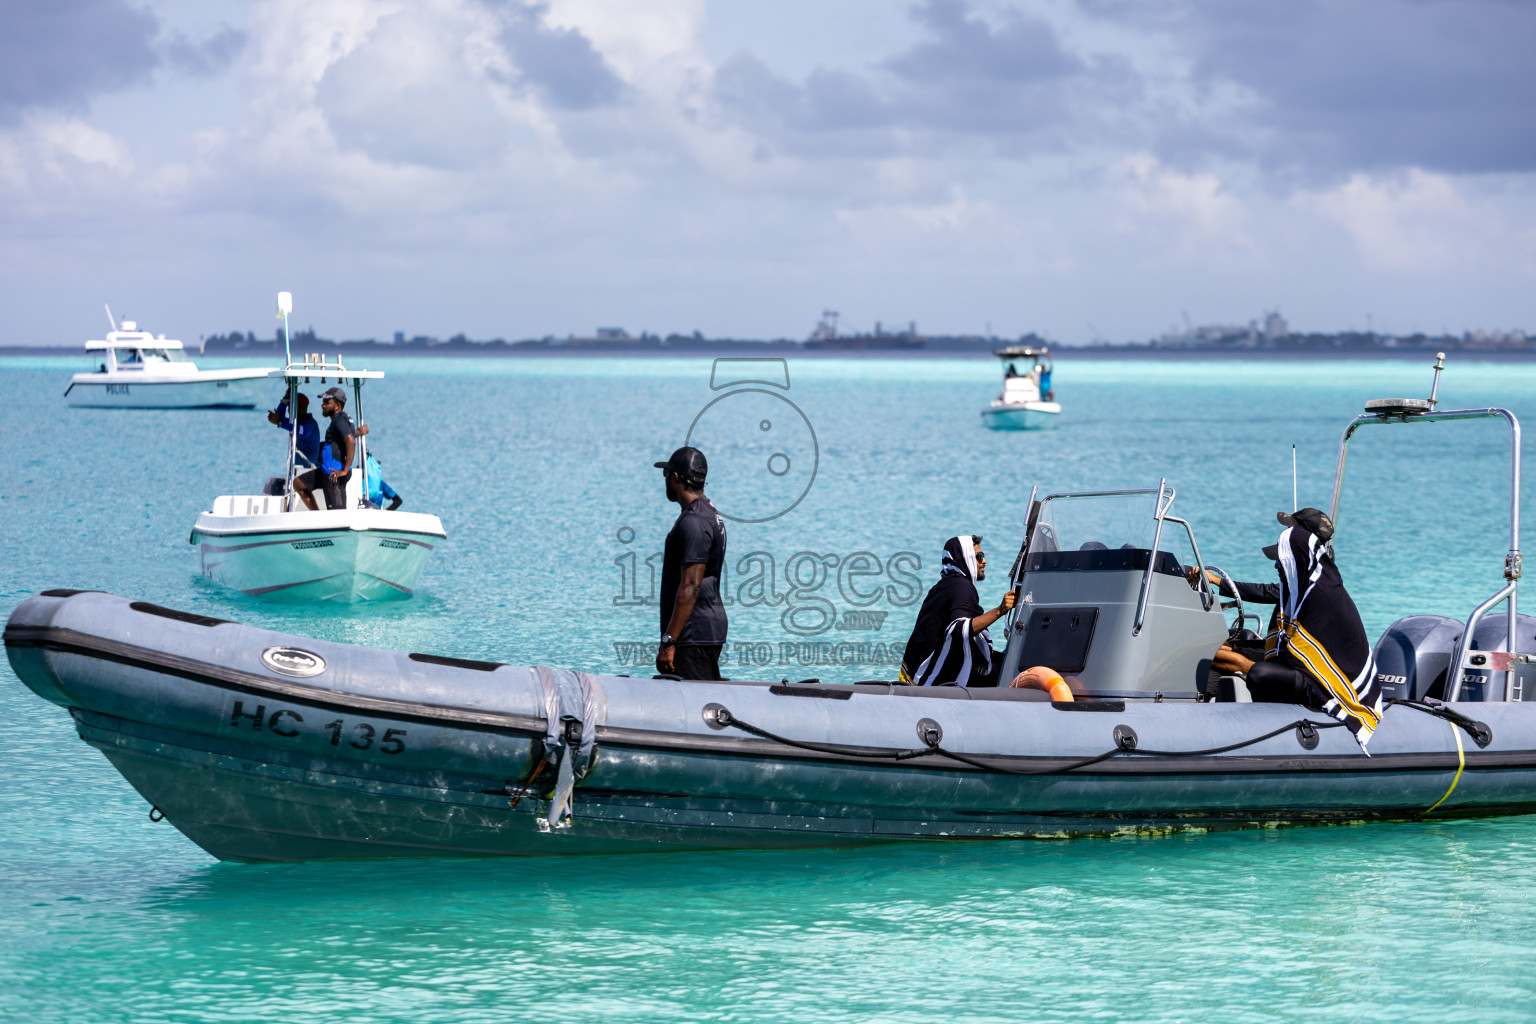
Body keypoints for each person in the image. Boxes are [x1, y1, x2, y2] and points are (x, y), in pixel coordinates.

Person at [1188, 507, 1384, 746]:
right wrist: (1210, 579)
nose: (1277, 566)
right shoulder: (1303, 584)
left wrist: (1218, 580)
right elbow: (1271, 591)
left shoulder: (1322, 588)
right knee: (1221, 648)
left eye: (1282, 559)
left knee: (1255, 670)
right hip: (1296, 658)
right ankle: (1198, 707)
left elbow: (1270, 590)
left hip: (1320, 678)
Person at [899, 536, 1017, 686]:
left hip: (914, 676)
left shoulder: (944, 586)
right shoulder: (962, 587)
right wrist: (1000, 610)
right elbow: (959, 629)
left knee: (1000, 661)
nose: (984, 561)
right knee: (1009, 670)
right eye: (979, 557)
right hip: (930, 681)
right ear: (964, 558)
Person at [653, 446, 728, 680]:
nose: (665, 481)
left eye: (666, 475)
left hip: (693, 632)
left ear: (674, 477)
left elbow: (690, 585)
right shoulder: (709, 513)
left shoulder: (693, 521)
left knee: (696, 704)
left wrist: (669, 640)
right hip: (704, 626)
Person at [293, 387, 355, 511]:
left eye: (327, 402)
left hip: (334, 475)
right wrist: (359, 431)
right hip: (325, 471)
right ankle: (317, 515)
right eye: (323, 402)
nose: (323, 405)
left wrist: (345, 470)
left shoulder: (339, 421)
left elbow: (350, 440)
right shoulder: (342, 419)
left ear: (337, 406)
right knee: (298, 483)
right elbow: (350, 434)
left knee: (337, 514)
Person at [268, 392, 321, 469]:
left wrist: (280, 423)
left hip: (308, 471)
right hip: (296, 470)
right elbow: (279, 417)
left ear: (303, 408)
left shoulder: (310, 423)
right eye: (288, 407)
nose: (289, 411)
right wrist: (285, 398)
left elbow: (303, 432)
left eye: (292, 407)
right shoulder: (295, 423)